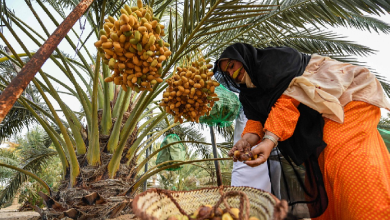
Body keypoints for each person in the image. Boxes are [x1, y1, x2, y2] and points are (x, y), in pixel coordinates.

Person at [213, 43, 390, 220]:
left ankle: (374, 214)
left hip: (346, 100)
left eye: (231, 65)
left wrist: (269, 140)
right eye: (227, 72)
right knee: (325, 169)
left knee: (344, 160)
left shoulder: (272, 61)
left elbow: (288, 99)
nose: (231, 73)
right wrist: (246, 141)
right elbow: (256, 122)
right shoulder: (248, 94)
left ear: (243, 57)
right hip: (324, 117)